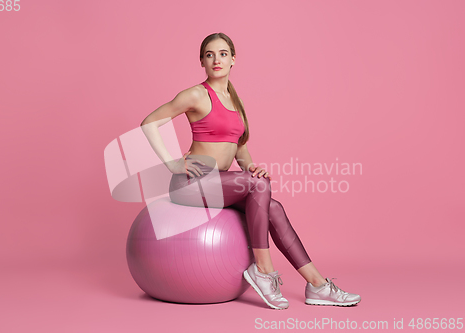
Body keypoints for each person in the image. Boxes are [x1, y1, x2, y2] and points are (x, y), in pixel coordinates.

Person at [140, 32, 361, 309]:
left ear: (233, 59)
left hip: (217, 182)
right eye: (209, 55)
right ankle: (264, 271)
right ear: (202, 62)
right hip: (190, 184)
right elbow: (149, 123)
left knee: (275, 208)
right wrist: (172, 163)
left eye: (222, 54)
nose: (216, 60)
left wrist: (250, 167)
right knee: (258, 187)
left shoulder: (235, 100)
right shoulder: (196, 94)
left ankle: (317, 285)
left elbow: (238, 146)